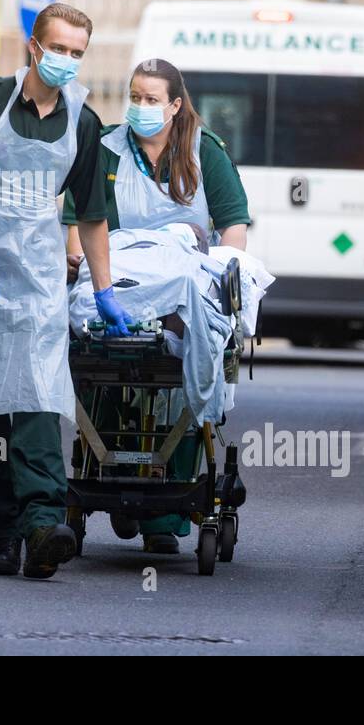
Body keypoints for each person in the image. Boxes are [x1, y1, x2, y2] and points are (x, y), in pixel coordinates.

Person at [0, 2, 133, 580]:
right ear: (34, 46)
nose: (66, 60)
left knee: (41, 397)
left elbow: (90, 215)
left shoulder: (84, 122)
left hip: (39, 277)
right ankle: (2, 533)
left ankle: (44, 523)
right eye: (58, 48)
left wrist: (104, 290)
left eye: (76, 52)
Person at [63, 58, 251, 555]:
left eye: (151, 99)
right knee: (110, 375)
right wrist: (80, 265)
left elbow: (232, 225)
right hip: (118, 278)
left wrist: (226, 283)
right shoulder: (103, 148)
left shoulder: (203, 152)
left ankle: (162, 516)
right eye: (134, 97)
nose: (140, 107)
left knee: (177, 385)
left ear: (174, 105)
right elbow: (78, 222)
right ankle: (119, 487)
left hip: (181, 284)